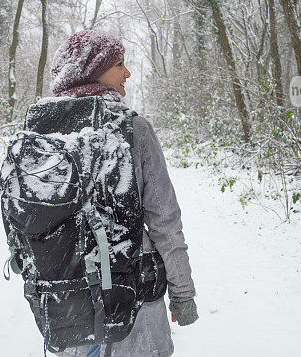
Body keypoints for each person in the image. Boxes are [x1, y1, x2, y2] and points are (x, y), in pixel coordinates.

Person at [48, 29, 198, 357]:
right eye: (119, 64)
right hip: (133, 297)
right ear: (91, 70)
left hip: (67, 300)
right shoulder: (134, 129)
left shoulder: (42, 131)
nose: (127, 72)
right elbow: (165, 221)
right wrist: (183, 294)